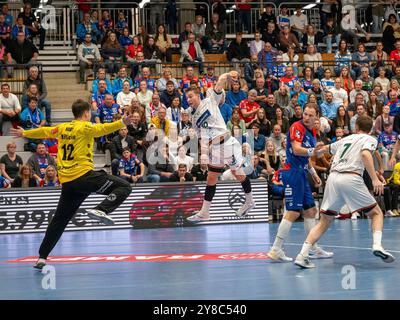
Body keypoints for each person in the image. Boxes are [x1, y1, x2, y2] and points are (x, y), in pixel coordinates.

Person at [11, 99, 134, 269]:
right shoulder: (86, 127)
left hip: (69, 182)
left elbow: (45, 131)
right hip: (84, 176)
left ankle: (42, 257)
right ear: (85, 113)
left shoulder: (62, 128)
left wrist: (25, 133)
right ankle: (101, 209)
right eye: (89, 112)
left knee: (59, 220)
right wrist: (121, 122)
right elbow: (104, 129)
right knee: (125, 187)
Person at [295, 115, 395, 268]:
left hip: (333, 178)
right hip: (350, 177)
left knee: (324, 221)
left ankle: (302, 255)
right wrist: (375, 179)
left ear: (356, 127)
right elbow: (365, 154)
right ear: (371, 130)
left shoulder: (345, 139)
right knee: (376, 213)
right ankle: (377, 245)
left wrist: (315, 147)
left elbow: (322, 150)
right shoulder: (370, 139)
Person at [186, 71, 255, 222]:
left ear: (198, 95)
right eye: (187, 98)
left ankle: (249, 201)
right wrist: (203, 153)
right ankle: (205, 212)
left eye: (190, 97)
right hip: (214, 149)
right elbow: (202, 137)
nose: (188, 100)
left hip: (226, 144)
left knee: (238, 174)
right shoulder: (193, 118)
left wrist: (228, 75)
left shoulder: (210, 100)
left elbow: (220, 82)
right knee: (211, 178)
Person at [268, 103, 333, 262]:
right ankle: (276, 249)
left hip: (303, 173)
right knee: (293, 212)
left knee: (311, 211)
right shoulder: (297, 127)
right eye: (305, 114)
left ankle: (312, 247)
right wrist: (314, 151)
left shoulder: (312, 131)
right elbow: (297, 150)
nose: (307, 117)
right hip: (293, 173)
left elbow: (306, 156)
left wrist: (313, 172)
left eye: (311, 115)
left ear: (316, 116)